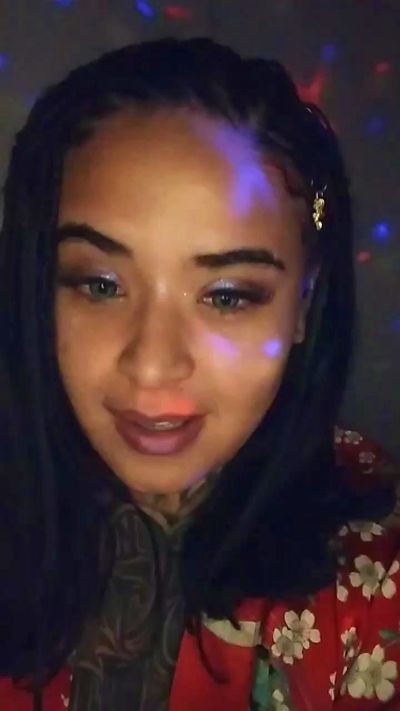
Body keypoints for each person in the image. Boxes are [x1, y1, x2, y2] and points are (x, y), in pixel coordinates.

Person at [0, 37, 399, 711]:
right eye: (100, 284)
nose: (153, 363)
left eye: (228, 295)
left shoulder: (377, 582)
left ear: (303, 305)